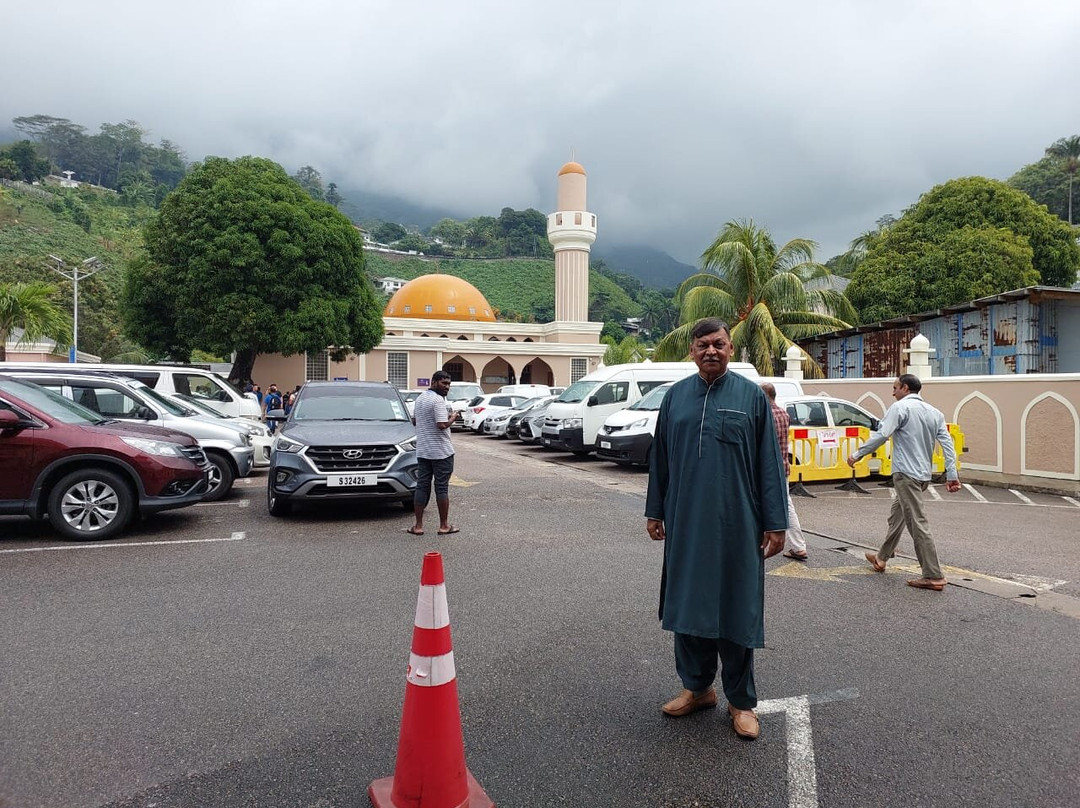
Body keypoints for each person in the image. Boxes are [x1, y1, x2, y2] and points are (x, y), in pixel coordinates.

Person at [645, 318, 788, 740]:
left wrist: (775, 522)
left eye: (719, 344)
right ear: (691, 350)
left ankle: (741, 702)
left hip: (738, 525)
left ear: (730, 349)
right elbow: (661, 460)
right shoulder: (675, 398)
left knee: (736, 610)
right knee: (688, 607)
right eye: (703, 344)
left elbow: (769, 464)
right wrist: (655, 511)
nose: (711, 350)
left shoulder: (751, 397)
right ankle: (697, 688)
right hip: (686, 523)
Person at [846, 373, 961, 591]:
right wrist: (952, 474)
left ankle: (933, 575)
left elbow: (882, 434)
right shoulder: (935, 413)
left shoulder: (900, 408)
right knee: (896, 516)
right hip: (923, 475)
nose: (893, 392)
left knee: (917, 523)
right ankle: (882, 557)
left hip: (906, 474)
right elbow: (947, 445)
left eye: (895, 387)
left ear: (905, 388)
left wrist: (858, 454)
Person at [408, 370, 460, 536]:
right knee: (441, 487)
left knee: (422, 486)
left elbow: (414, 420)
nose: (447, 387)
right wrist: (453, 417)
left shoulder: (420, 399)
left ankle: (418, 526)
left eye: (449, 384)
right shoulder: (438, 400)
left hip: (423, 451)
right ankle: (444, 526)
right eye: (444, 383)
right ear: (434, 382)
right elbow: (442, 425)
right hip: (442, 452)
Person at [761, 381, 808, 561]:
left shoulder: (766, 415)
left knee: (784, 506)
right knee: (785, 504)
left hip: (768, 468)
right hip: (783, 465)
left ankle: (798, 546)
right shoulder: (784, 413)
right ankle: (798, 546)